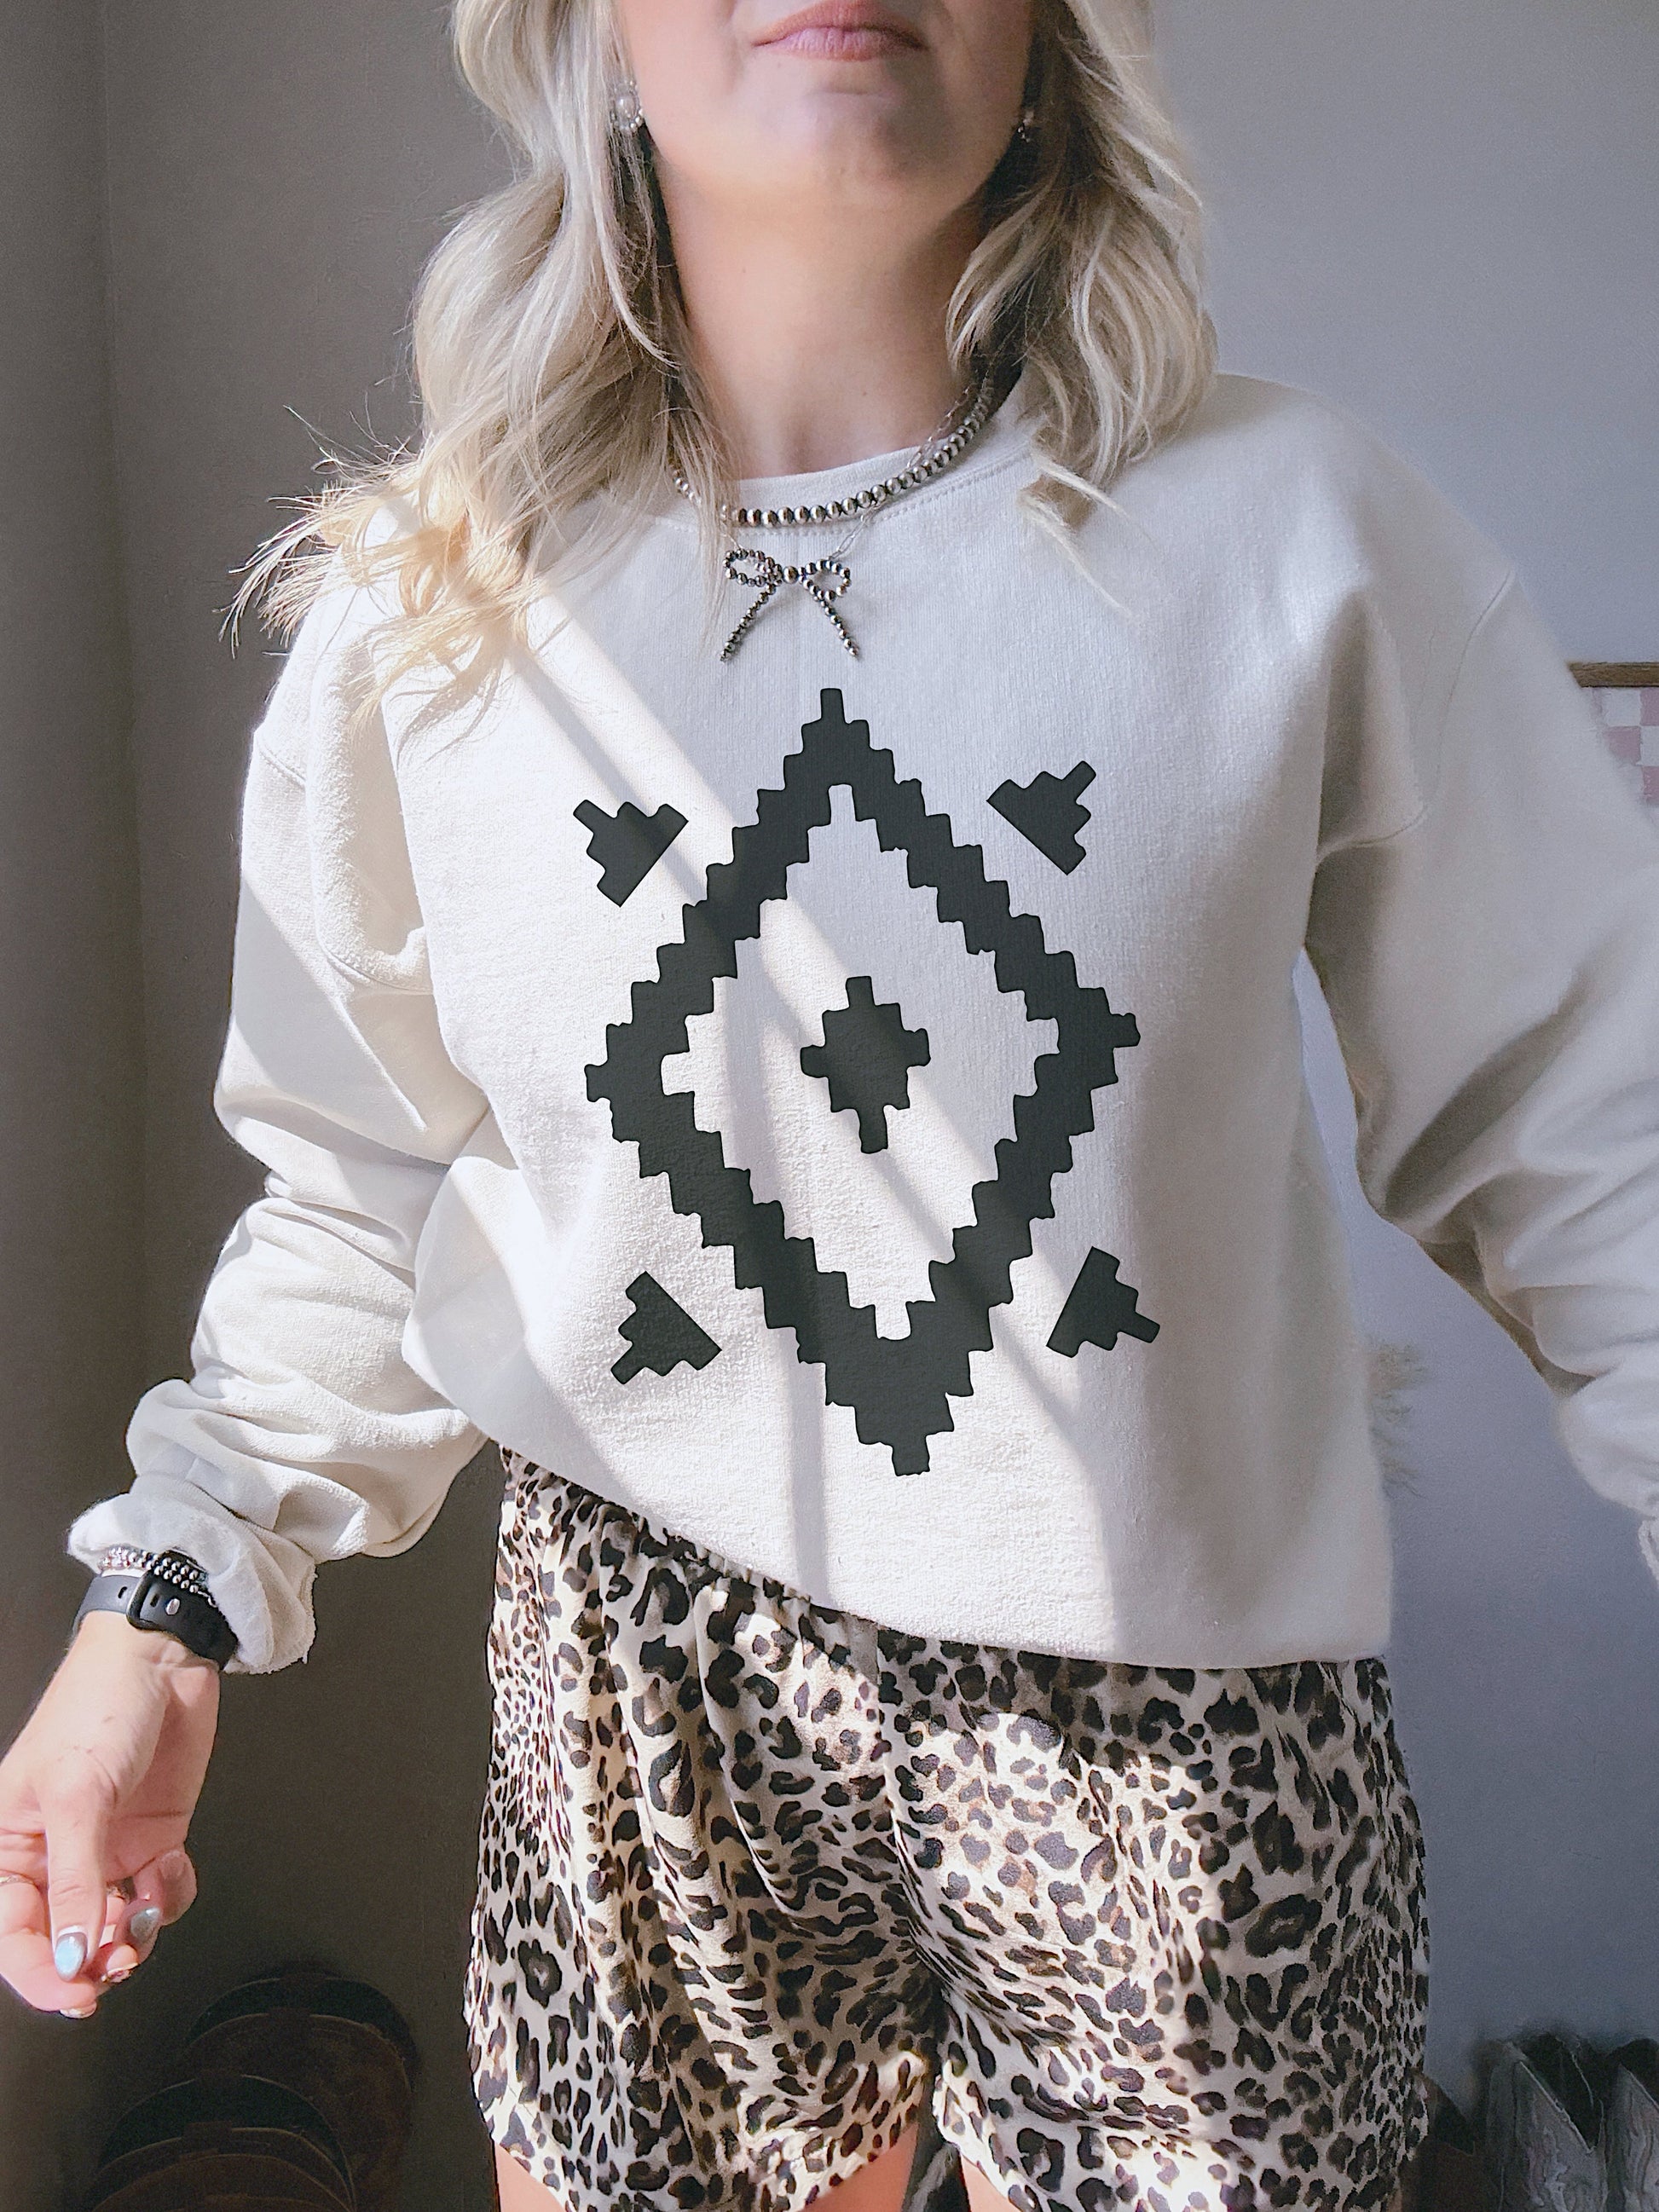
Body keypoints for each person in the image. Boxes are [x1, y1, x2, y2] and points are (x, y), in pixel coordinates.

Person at [3, 3, 1657, 2209]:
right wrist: (167, 1599)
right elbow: (357, 1185)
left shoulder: (1302, 538)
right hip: (642, 1695)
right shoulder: (424, 621)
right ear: (591, 39)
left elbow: (1587, 1110)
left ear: (1049, 44)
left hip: (1187, 1721)